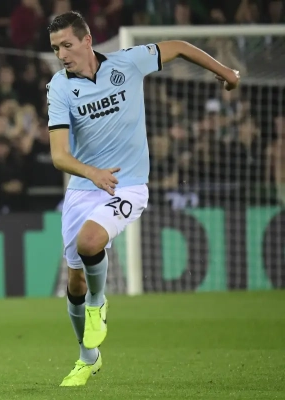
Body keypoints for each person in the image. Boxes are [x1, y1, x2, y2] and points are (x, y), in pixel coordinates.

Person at [46, 11, 239, 387]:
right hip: (84, 188)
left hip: (128, 184)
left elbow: (179, 47)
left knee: (90, 243)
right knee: (74, 283)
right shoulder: (60, 87)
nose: (62, 54)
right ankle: (88, 357)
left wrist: (226, 72)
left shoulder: (128, 63)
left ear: (87, 40)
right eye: (55, 48)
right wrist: (92, 173)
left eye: (67, 45)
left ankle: (99, 304)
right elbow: (59, 156)